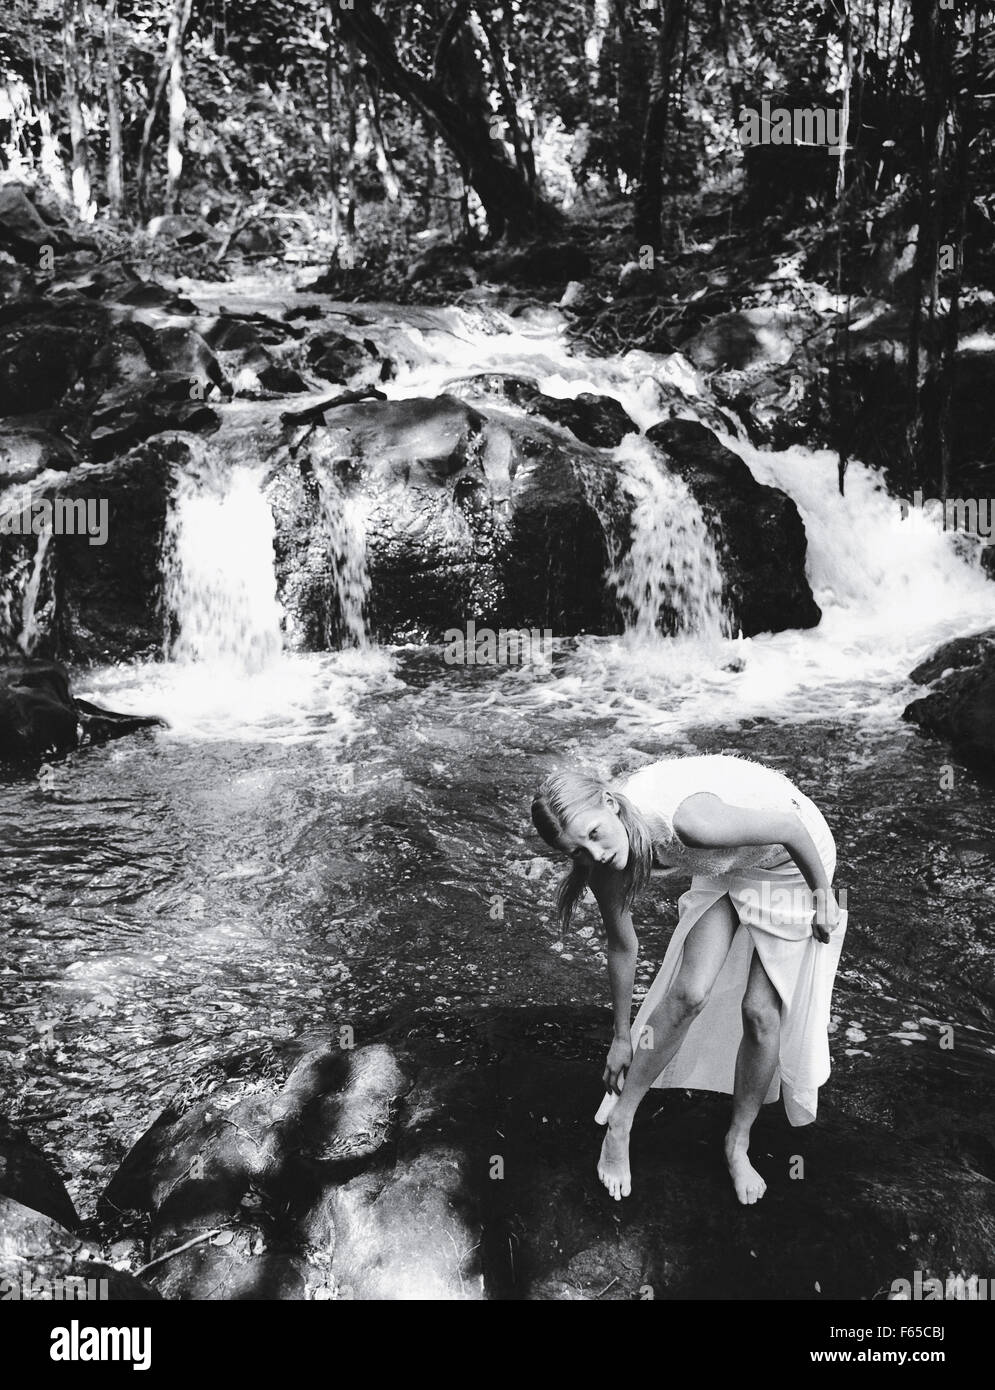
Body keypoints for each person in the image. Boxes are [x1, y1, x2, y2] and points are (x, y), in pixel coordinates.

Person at [531, 754, 848, 1205]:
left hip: (790, 860)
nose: (595, 854)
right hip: (723, 862)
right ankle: (621, 1123)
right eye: (577, 851)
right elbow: (623, 947)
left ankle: (737, 1143)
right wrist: (622, 1035)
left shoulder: (690, 822)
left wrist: (822, 898)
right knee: (688, 993)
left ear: (610, 803)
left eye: (595, 836)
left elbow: (789, 829)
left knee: (760, 1013)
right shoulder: (600, 860)